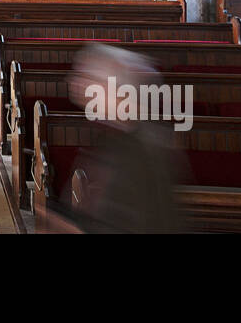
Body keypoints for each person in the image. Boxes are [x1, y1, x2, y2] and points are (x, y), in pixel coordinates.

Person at [52, 43, 187, 233]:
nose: (75, 83)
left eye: (89, 78)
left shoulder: (142, 149)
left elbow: (130, 222)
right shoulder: (113, 135)